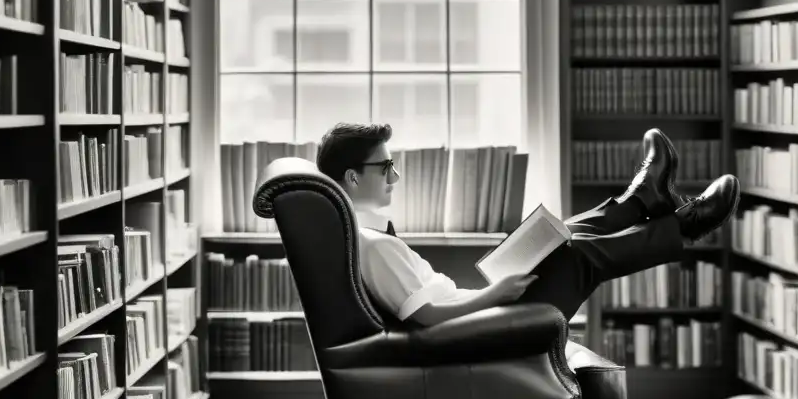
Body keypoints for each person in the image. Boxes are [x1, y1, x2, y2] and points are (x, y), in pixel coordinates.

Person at [315, 123, 740, 332]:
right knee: (575, 255)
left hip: (478, 315)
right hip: (481, 328)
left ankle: (644, 198)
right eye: (385, 166)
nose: (395, 176)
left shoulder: (363, 237)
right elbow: (424, 317)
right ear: (353, 178)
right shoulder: (372, 246)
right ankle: (686, 225)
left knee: (560, 232)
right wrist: (494, 295)